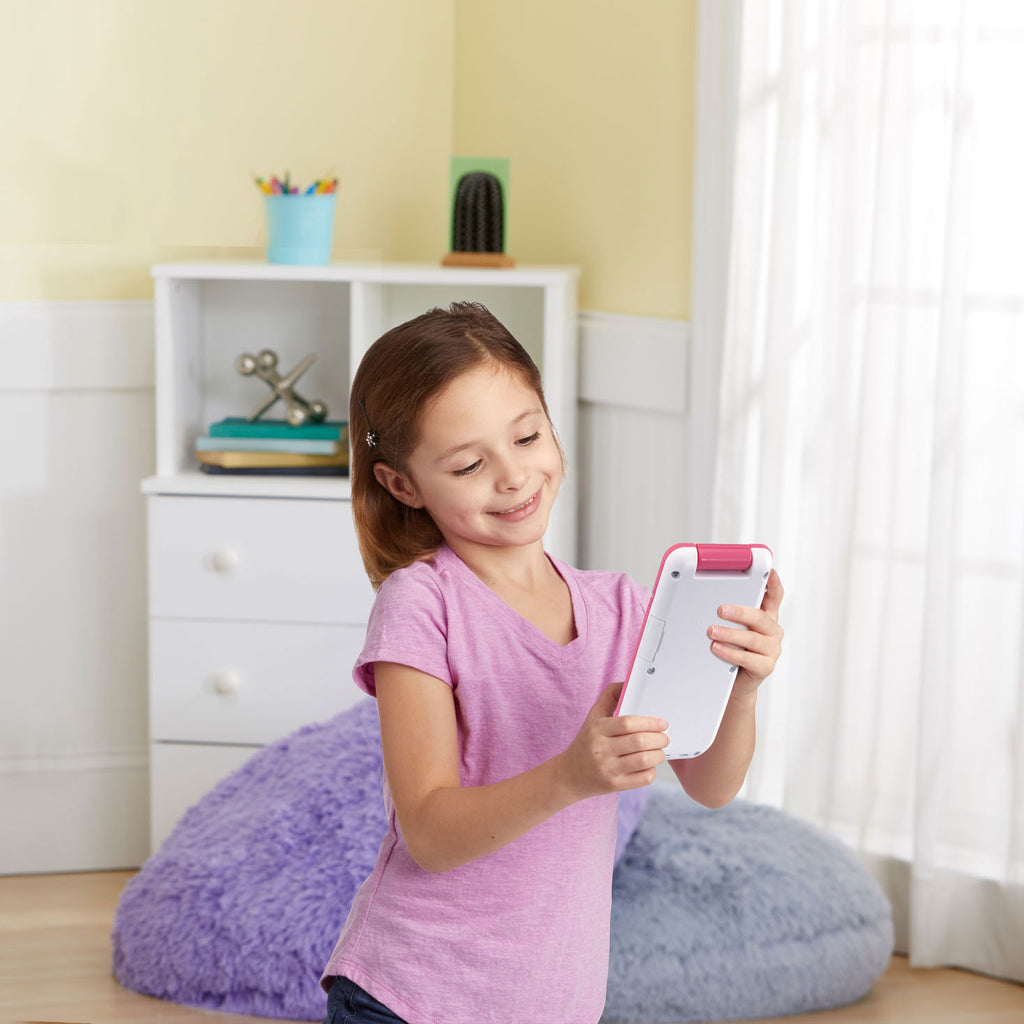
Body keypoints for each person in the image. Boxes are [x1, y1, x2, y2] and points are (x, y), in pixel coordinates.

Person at [320, 302, 784, 1024]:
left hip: (552, 1003)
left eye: (527, 435)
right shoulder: (422, 603)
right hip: (413, 997)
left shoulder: (624, 609)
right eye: (469, 464)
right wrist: (570, 777)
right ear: (403, 485)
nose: (513, 476)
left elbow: (710, 785)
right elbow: (430, 834)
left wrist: (741, 689)